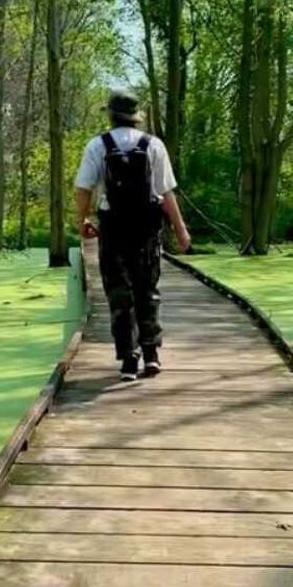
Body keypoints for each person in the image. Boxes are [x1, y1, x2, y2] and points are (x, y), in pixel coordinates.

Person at [74, 91, 191, 381]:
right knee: (147, 290)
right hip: (147, 228)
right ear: (136, 117)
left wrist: (83, 219)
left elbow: (83, 188)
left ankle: (128, 358)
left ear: (111, 115)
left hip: (113, 227)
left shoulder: (98, 145)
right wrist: (180, 229)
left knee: (119, 292)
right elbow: (165, 193)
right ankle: (151, 355)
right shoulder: (154, 145)